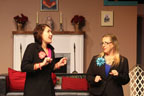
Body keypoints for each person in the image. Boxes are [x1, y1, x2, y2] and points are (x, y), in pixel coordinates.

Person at [21, 24, 67, 96]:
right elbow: (24, 67)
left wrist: (58, 64)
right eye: (48, 31)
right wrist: (42, 64)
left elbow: (50, 68)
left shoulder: (51, 50)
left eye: (51, 32)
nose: (51, 34)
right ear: (40, 33)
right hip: (33, 91)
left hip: (48, 90)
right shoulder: (32, 47)